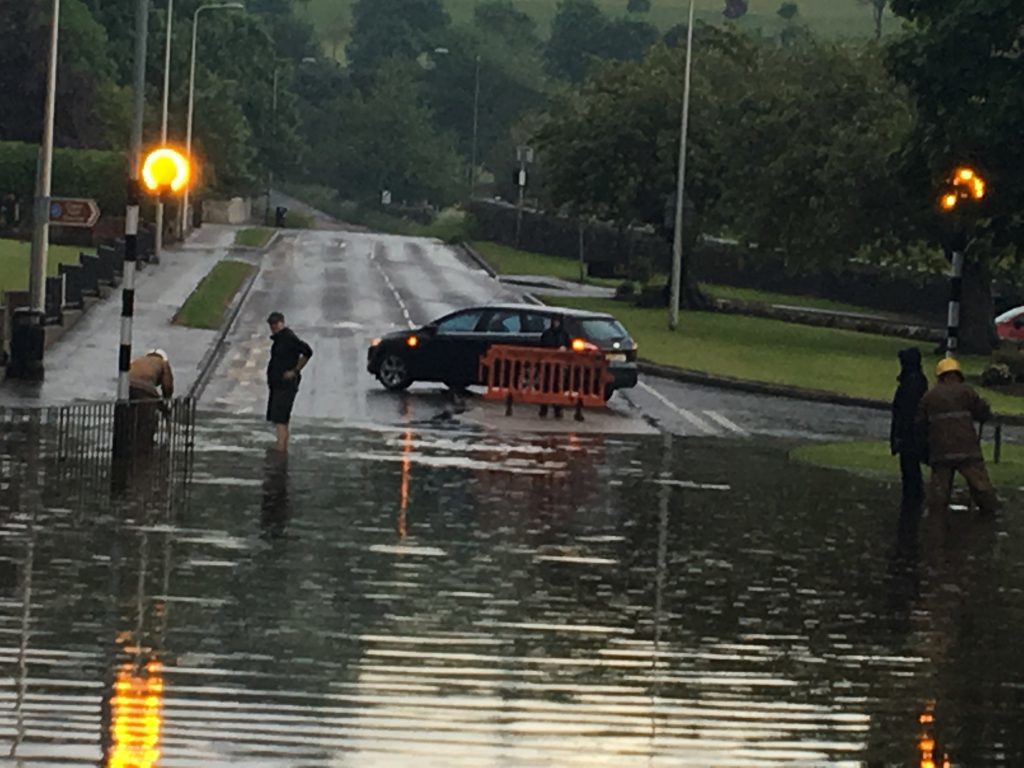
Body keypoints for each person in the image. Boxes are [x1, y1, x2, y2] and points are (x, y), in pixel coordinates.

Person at [916, 357, 998, 517]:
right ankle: (989, 515)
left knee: (939, 492)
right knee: (981, 486)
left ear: (940, 376)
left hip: (941, 451)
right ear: (958, 375)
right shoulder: (967, 391)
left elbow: (919, 423)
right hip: (967, 450)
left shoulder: (929, 396)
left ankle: (936, 522)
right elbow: (982, 412)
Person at [266, 312, 313, 452]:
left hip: (285, 385)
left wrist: (295, 370)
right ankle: (281, 446)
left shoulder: (288, 337)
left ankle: (281, 449)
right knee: (281, 419)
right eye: (271, 324)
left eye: (275, 323)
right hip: (278, 385)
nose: (273, 327)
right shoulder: (280, 339)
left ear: (282, 322)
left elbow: (308, 352)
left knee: (281, 418)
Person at [890, 348, 929, 512]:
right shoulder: (916, 380)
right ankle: (913, 499)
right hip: (913, 433)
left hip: (909, 434)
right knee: (910, 468)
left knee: (910, 468)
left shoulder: (911, 382)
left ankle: (912, 501)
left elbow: (905, 411)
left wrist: (899, 435)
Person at [128, 349, 175, 453]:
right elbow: (167, 385)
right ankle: (145, 447)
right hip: (144, 388)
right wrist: (166, 401)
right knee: (148, 419)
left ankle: (129, 442)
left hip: (127, 387)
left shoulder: (138, 360)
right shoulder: (163, 363)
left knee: (131, 417)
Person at [539, 317, 570, 419]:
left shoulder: (564, 334)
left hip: (559, 366)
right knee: (546, 385)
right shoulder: (547, 333)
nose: (556, 323)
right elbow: (542, 346)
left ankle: (558, 409)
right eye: (554, 321)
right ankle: (544, 408)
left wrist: (564, 348)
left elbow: (568, 345)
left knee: (558, 386)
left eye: (558, 322)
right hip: (547, 365)